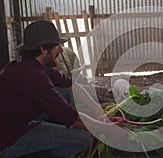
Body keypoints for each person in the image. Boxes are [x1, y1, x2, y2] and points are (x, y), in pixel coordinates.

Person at [0, 20, 124, 158]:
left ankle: (45, 140)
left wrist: (101, 114)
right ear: (43, 49)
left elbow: (73, 86)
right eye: (56, 46)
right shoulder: (34, 76)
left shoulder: (32, 65)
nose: (60, 49)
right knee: (83, 138)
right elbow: (71, 118)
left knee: (66, 93)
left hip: (18, 122)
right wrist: (106, 129)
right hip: (9, 140)